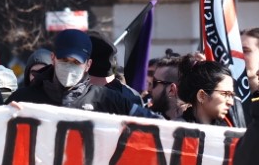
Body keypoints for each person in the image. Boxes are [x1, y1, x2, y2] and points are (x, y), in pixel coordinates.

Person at [13, 30, 154, 120]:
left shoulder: (108, 100)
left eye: (76, 62)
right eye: (64, 60)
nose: (69, 67)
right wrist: (8, 115)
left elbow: (154, 125)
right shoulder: (23, 99)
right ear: (53, 58)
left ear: (88, 65)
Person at [178, 58, 235, 126]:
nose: (231, 102)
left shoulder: (230, 131)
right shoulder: (175, 132)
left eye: (231, 95)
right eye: (225, 94)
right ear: (201, 96)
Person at [147, 56, 184, 120]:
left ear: (172, 90)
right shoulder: (147, 118)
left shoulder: (195, 125)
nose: (149, 89)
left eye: (154, 83)